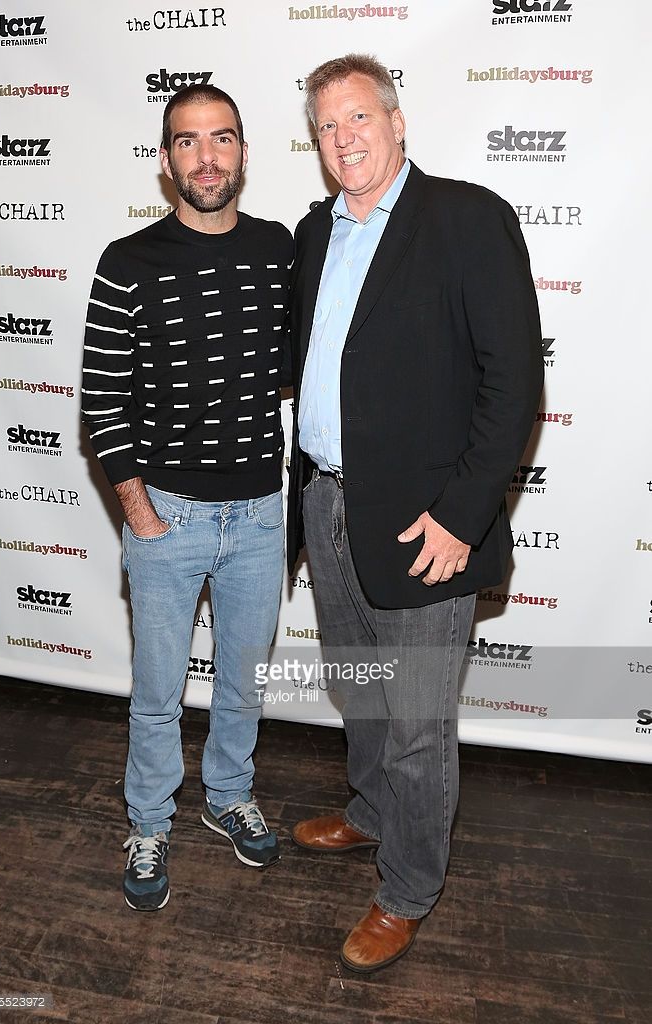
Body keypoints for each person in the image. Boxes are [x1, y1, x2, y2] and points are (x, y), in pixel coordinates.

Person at [287, 54, 543, 971]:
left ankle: (406, 890)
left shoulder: (467, 217)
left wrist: (461, 517)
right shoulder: (314, 233)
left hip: (425, 524)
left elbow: (512, 384)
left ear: (396, 123)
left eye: (358, 116)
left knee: (417, 722)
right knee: (359, 688)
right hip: (327, 502)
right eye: (326, 125)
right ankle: (369, 814)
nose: (343, 136)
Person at [82, 84, 292, 911]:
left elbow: (296, 366)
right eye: (187, 141)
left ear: (243, 151)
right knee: (157, 695)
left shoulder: (278, 249)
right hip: (164, 515)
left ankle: (228, 795)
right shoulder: (126, 260)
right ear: (165, 159)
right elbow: (102, 399)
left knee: (243, 684)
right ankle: (148, 822)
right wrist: (140, 514)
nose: (207, 158)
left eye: (222, 138)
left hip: (261, 514)